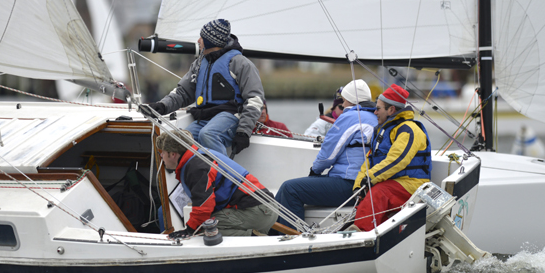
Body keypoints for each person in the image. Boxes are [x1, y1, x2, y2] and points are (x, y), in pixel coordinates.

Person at [142, 19, 265, 156]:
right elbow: (183, 92)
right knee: (180, 140)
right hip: (206, 116)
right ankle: (190, 175)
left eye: (202, 38)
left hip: (231, 115)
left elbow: (255, 99)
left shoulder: (240, 63)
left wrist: (244, 132)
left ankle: (225, 176)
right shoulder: (199, 63)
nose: (198, 41)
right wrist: (162, 106)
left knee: (208, 134)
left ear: (212, 41)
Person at [274, 79, 377, 228]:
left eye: (344, 99)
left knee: (289, 189)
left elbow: (328, 154)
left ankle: (289, 238)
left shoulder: (350, 117)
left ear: (347, 99)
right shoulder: (374, 117)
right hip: (364, 184)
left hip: (349, 184)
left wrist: (314, 171)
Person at [156, 130, 277, 238]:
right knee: (201, 225)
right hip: (264, 208)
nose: (161, 156)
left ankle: (254, 237)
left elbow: (204, 205)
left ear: (172, 154)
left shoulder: (195, 167)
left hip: (258, 212)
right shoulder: (198, 156)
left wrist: (189, 230)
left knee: (203, 230)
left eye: (163, 152)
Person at [350, 83, 431, 231]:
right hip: (391, 183)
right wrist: (358, 186)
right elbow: (369, 161)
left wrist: (369, 179)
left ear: (391, 110)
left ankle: (362, 233)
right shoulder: (381, 131)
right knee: (370, 194)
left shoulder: (409, 130)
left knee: (379, 192)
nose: (375, 112)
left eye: (378, 108)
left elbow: (397, 160)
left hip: (411, 185)